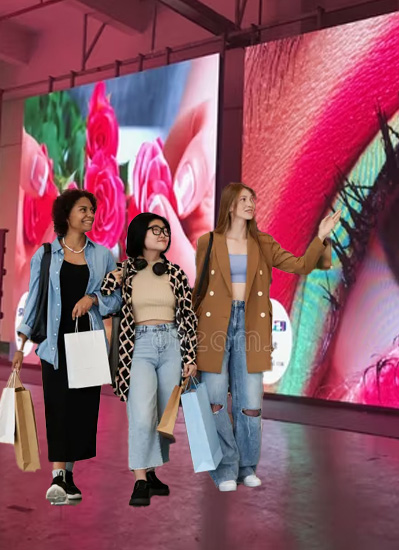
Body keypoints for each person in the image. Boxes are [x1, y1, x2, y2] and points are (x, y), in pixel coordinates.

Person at [193, 182, 340, 491]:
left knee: (249, 403)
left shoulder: (263, 243)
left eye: (253, 199)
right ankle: (224, 467)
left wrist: (321, 236)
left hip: (251, 324)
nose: (251, 204)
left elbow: (301, 266)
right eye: (244, 199)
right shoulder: (209, 243)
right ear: (230, 206)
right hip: (214, 325)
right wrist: (189, 341)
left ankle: (246, 466)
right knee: (215, 401)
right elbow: (200, 291)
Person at [12, 189, 121, 506]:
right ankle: (58, 476)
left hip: (87, 341)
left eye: (92, 210)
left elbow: (115, 299)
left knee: (81, 412)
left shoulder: (103, 256)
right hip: (54, 345)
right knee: (58, 409)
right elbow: (34, 301)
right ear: (67, 214)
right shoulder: (45, 255)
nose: (90, 215)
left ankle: (68, 476)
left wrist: (93, 299)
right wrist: (21, 344)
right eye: (83, 209)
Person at [101, 213, 198, 506]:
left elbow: (188, 316)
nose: (163, 234)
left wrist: (190, 355)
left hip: (172, 345)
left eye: (165, 230)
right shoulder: (125, 271)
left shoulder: (176, 273)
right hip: (139, 345)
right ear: (139, 234)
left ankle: (152, 473)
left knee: (163, 415)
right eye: (155, 229)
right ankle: (140, 479)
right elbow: (103, 297)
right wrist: (112, 279)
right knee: (141, 414)